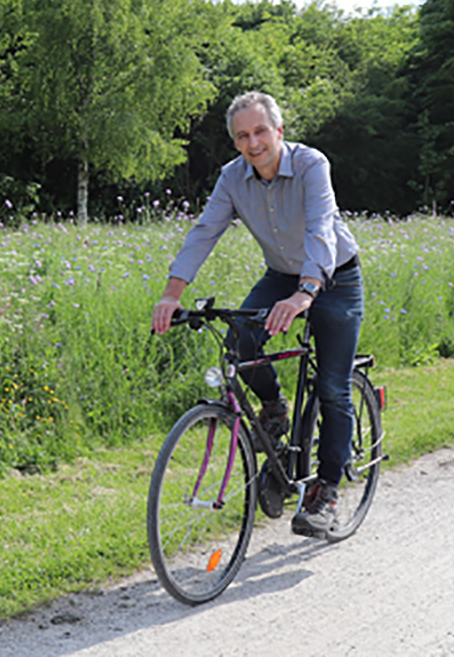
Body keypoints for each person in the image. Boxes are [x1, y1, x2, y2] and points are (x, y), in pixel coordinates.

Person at [151, 91, 364, 539]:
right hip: (281, 276)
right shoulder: (233, 178)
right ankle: (274, 409)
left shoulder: (310, 165)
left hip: (335, 277)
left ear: (279, 131)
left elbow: (322, 226)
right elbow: (205, 230)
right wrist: (172, 294)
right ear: (235, 142)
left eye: (260, 131)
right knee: (242, 343)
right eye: (242, 136)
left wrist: (308, 292)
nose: (253, 143)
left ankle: (325, 490)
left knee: (332, 386)